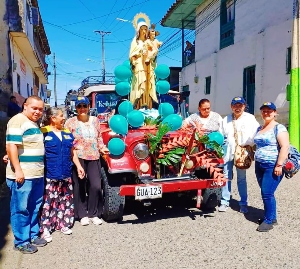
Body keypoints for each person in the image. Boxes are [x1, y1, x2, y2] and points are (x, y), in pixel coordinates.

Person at [6, 96, 47, 254]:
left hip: (36, 173)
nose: (37, 111)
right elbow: (11, 146)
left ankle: (32, 234)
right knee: (20, 209)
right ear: (25, 106)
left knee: (34, 206)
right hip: (23, 175)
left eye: (40, 109)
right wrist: (18, 169)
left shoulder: (33, 123)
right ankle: (21, 242)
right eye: (34, 108)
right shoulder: (18, 120)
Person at [39, 107, 85, 242]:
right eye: (60, 116)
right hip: (50, 174)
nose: (63, 118)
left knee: (65, 200)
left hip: (65, 172)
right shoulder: (43, 132)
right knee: (48, 202)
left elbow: (72, 152)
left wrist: (78, 166)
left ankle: (63, 224)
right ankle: (46, 228)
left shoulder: (66, 132)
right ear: (53, 118)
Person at [65, 97, 108, 226]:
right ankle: (82, 214)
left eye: (85, 106)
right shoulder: (70, 122)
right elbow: (67, 140)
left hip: (94, 156)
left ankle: (93, 213)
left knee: (96, 185)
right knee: (79, 185)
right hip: (78, 157)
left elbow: (99, 137)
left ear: (89, 107)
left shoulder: (95, 121)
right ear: (76, 108)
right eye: (79, 106)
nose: (82, 109)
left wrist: (102, 148)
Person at [219, 97, 260, 213]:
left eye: (240, 105)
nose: (237, 108)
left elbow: (256, 133)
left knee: (241, 178)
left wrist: (251, 146)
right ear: (231, 106)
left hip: (242, 154)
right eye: (235, 105)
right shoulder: (225, 119)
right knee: (226, 177)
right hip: (227, 153)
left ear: (244, 106)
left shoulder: (250, 118)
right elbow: (221, 136)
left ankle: (243, 203)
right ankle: (225, 201)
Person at [254, 102, 289, 232]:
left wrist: (279, 164)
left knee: (266, 193)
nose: (266, 113)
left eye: (270, 111)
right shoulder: (260, 128)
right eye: (264, 111)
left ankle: (268, 221)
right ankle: (272, 217)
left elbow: (285, 146)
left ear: (275, 113)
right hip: (259, 165)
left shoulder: (279, 128)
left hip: (272, 165)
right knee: (267, 193)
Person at [129, 19, 158, 109]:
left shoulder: (148, 41)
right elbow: (131, 55)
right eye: (143, 29)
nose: (144, 31)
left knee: (148, 85)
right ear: (139, 30)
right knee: (139, 84)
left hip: (148, 66)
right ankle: (138, 106)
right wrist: (137, 55)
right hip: (139, 66)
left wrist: (152, 55)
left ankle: (148, 106)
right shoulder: (136, 41)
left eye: (146, 29)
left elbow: (153, 53)